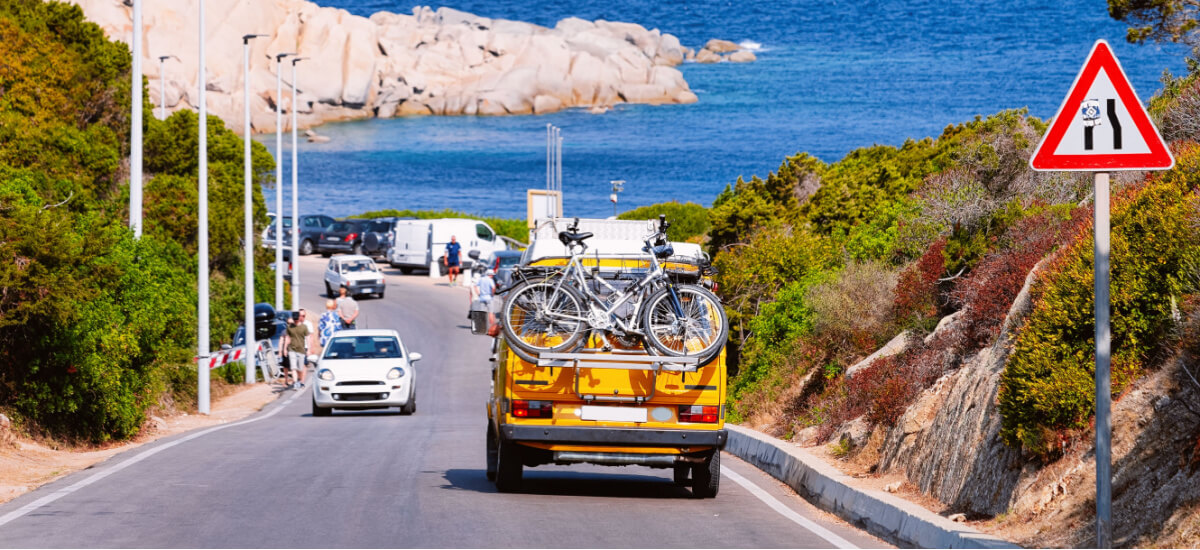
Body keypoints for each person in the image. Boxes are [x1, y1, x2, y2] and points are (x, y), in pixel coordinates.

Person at [280, 311, 310, 390]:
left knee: (300, 369)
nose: (296, 321)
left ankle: (300, 381)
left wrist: (309, 349)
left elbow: (308, 338)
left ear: (299, 318)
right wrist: (285, 349)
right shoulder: (290, 327)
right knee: (293, 368)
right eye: (295, 319)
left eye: (297, 319)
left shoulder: (304, 327)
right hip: (291, 349)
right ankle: (296, 383)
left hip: (301, 350)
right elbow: (287, 338)